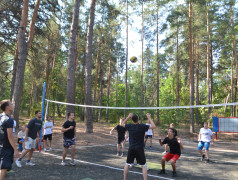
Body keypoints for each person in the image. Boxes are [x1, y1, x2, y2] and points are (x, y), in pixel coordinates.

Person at [122, 113, 156, 180]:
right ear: (138, 119)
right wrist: (149, 117)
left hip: (131, 148)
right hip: (139, 148)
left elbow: (122, 124)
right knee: (144, 165)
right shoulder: (142, 126)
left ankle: (124, 179)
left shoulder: (130, 126)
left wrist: (128, 117)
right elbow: (153, 126)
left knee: (127, 164)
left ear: (132, 120)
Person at [0, 100, 19, 180]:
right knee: (4, 168)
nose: (13, 105)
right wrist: (15, 149)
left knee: (2, 166)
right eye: (11, 104)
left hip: (1, 146)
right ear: (7, 107)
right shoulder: (9, 120)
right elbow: (10, 136)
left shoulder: (0, 116)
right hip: (6, 147)